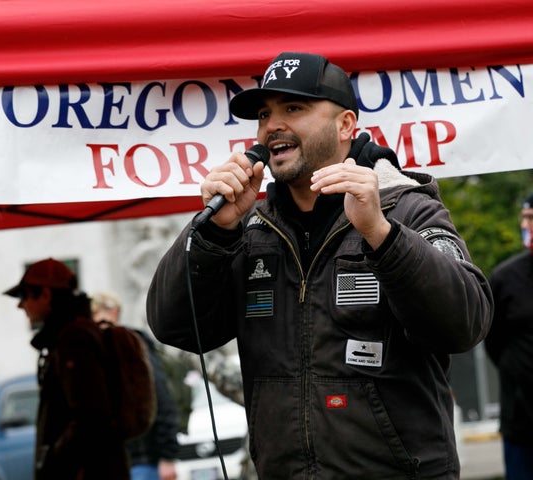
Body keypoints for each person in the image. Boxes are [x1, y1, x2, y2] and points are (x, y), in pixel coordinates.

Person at [146, 52, 493, 479]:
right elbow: (175, 326)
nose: (272, 125)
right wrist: (214, 233)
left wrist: (382, 235)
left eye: (294, 108)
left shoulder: (406, 208)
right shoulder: (249, 230)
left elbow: (465, 322)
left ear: (345, 125)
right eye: (264, 114)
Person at [4, 257, 130, 480]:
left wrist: (54, 459)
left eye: (24, 296)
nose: (20, 305)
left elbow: (91, 416)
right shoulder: (68, 336)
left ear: (45, 294)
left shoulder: (74, 338)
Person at [90, 291, 179, 480]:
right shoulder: (93, 352)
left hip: (142, 460)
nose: (101, 326)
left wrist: (167, 455)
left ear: (115, 315)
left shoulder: (134, 346)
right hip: (113, 461)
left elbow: (162, 399)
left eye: (104, 318)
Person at [484, 192, 533, 479]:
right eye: (526, 219)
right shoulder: (505, 278)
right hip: (521, 422)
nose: (528, 226)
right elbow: (493, 341)